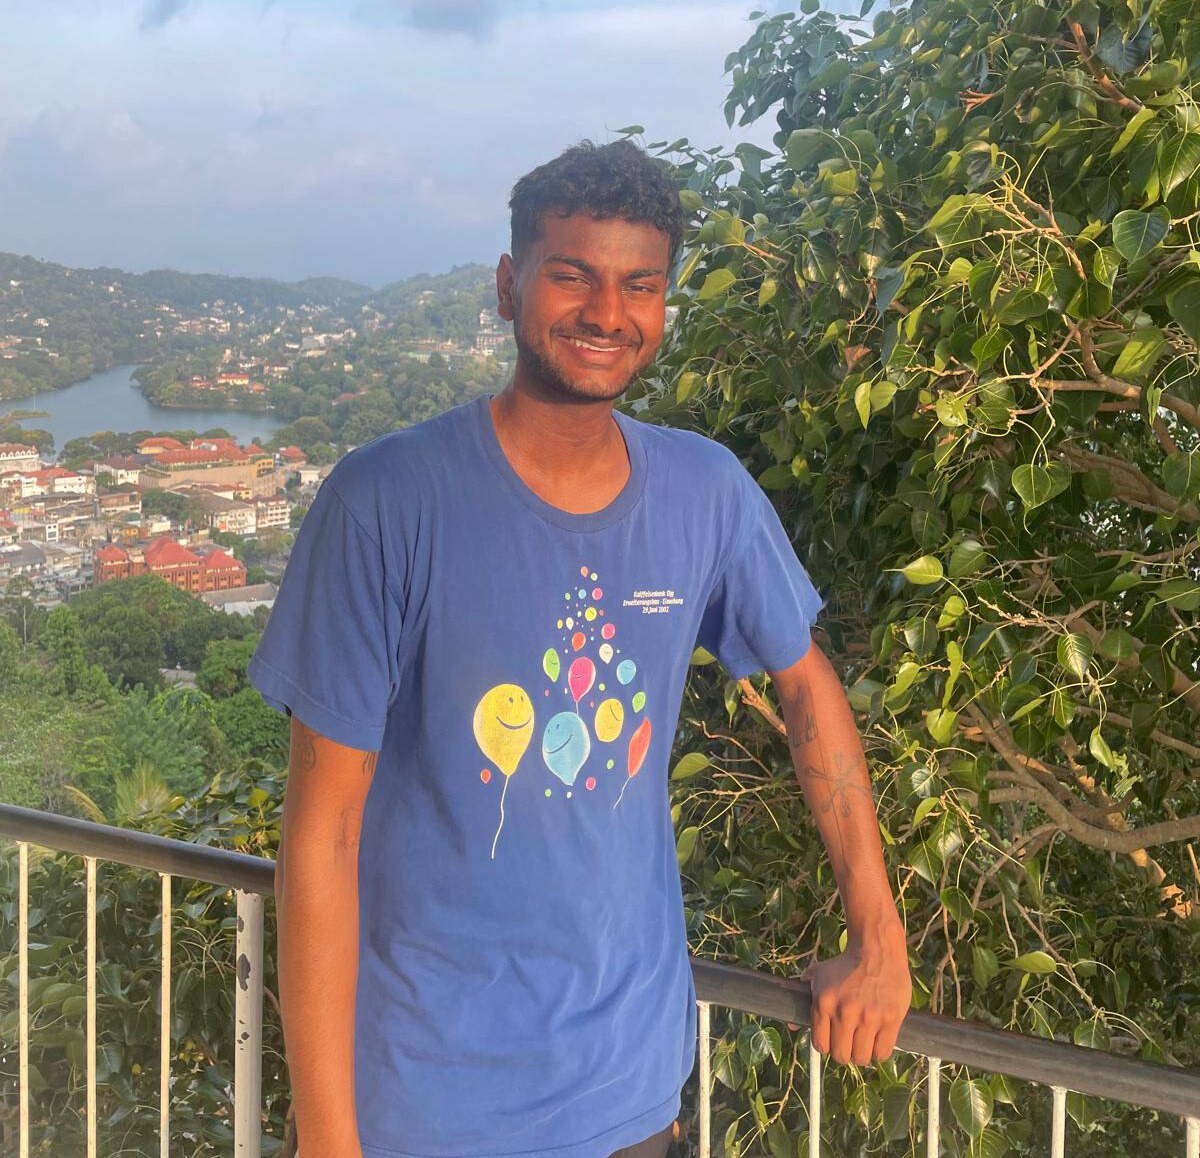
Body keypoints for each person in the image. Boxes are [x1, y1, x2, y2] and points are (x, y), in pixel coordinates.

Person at [246, 138, 911, 1158]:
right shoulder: (386, 501)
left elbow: (806, 686)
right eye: (573, 275)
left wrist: (879, 937)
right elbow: (323, 833)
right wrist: (327, 1137)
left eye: (640, 285)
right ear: (507, 285)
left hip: (630, 1092)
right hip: (427, 1101)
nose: (608, 313)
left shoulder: (705, 491)